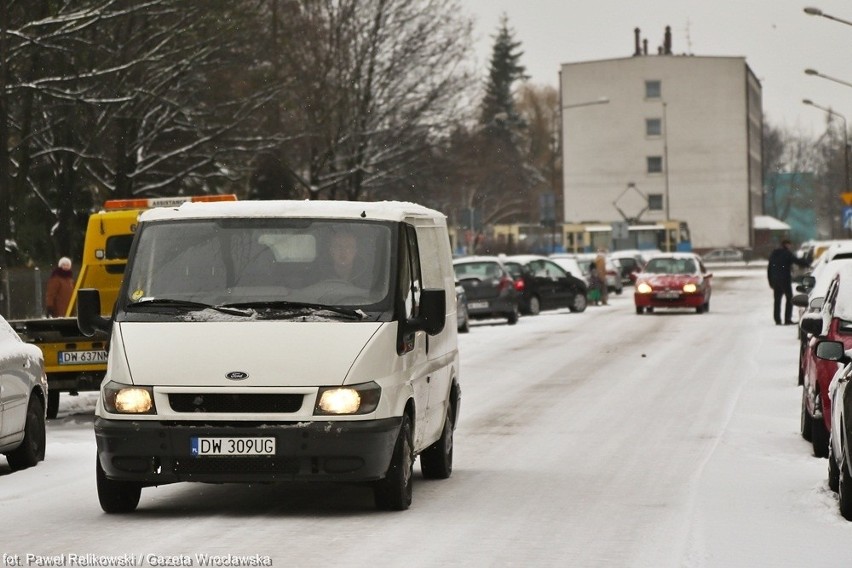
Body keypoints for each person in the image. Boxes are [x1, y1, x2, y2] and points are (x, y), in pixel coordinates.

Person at [767, 239, 809, 325]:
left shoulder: (774, 254)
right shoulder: (787, 253)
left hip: (775, 280)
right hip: (785, 279)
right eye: (789, 245)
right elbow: (797, 261)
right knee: (789, 298)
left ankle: (777, 320)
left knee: (777, 300)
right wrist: (807, 263)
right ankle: (787, 319)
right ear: (787, 245)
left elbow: (769, 268)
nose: (790, 247)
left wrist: (770, 281)